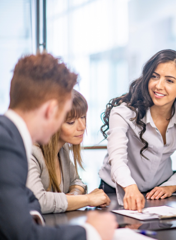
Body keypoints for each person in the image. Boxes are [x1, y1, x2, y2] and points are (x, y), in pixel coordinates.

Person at [0, 53, 117, 240]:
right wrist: (92, 232)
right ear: (51, 111)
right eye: (66, 116)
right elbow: (23, 235)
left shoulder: (10, 139)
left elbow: (28, 203)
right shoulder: (6, 146)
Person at [99, 49, 176, 211]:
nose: (158, 86)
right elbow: (117, 159)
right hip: (117, 188)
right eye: (154, 76)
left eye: (169, 80)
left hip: (159, 190)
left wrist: (170, 186)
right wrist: (130, 187)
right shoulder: (123, 112)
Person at [27, 89, 110, 214]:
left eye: (83, 117)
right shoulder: (30, 153)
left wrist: (74, 196)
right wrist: (87, 199)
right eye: (71, 122)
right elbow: (38, 201)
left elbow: (77, 182)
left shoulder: (62, 148)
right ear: (51, 124)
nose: (82, 127)